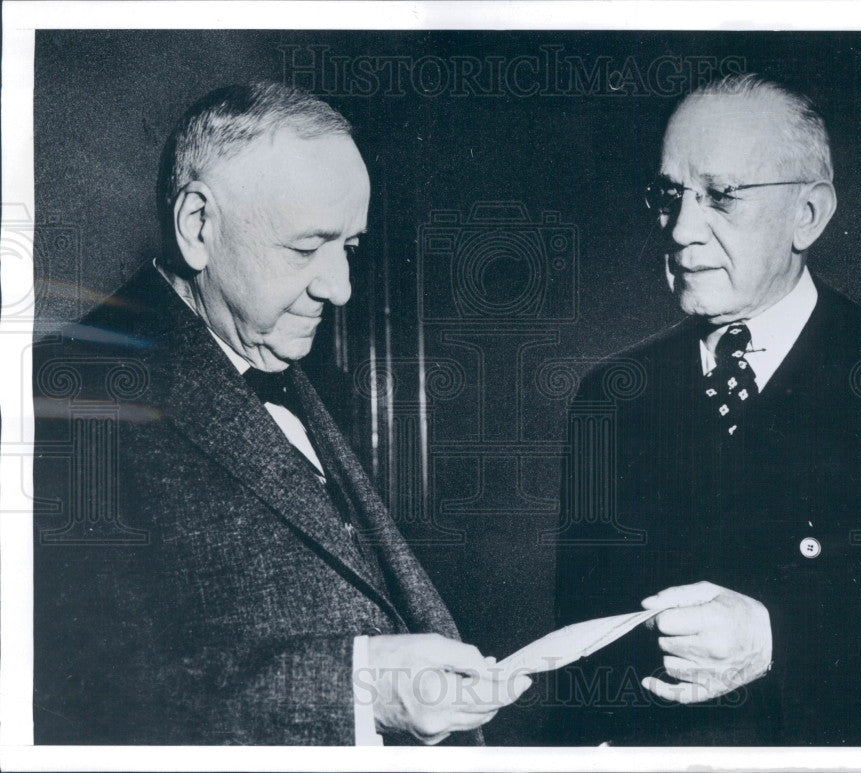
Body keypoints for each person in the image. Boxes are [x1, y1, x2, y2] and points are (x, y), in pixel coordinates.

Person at [33, 82, 528, 746]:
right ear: (198, 226)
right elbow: (66, 706)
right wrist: (357, 689)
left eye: (348, 247)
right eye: (306, 248)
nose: (341, 288)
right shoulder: (54, 398)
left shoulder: (278, 359)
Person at [545, 73, 861, 745]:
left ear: (808, 214)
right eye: (669, 195)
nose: (682, 229)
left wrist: (779, 637)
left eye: (722, 196)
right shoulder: (613, 393)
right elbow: (581, 661)